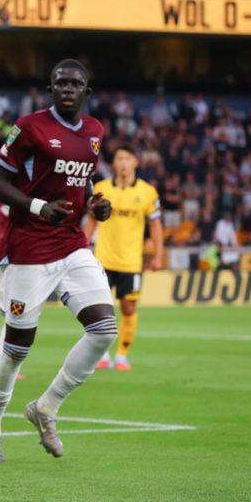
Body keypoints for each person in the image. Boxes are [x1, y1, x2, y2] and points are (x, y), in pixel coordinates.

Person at [0, 59, 115, 463]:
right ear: (50, 89)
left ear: (87, 92)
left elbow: (82, 179)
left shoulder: (94, 132)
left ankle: (46, 407)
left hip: (72, 244)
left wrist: (94, 204)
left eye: (75, 84)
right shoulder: (30, 127)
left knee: (104, 330)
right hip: (29, 249)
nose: (68, 88)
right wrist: (38, 206)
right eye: (60, 83)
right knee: (17, 349)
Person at [83, 145, 164, 371]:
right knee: (99, 309)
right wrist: (79, 250)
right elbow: (91, 222)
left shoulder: (148, 192)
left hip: (131, 262)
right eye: (119, 158)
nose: (123, 163)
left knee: (128, 308)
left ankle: (122, 355)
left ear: (135, 162)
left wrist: (158, 255)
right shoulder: (101, 188)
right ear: (114, 163)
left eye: (127, 158)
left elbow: (156, 225)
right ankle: (103, 354)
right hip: (102, 260)